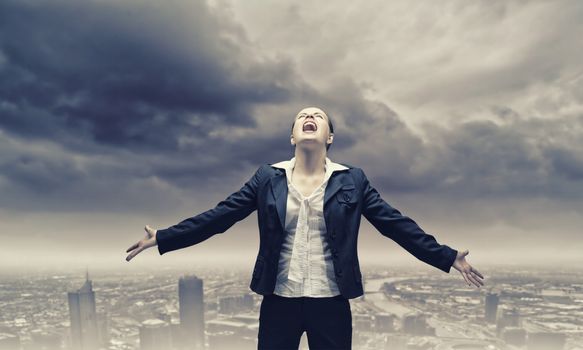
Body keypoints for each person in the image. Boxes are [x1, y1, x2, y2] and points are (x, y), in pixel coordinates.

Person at [125, 106, 485, 350]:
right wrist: (163, 237)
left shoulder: (353, 180)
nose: (310, 117)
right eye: (302, 117)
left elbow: (395, 224)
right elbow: (220, 216)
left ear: (329, 137)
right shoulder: (267, 178)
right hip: (279, 300)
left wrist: (449, 257)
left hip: (331, 302)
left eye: (318, 116)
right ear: (293, 137)